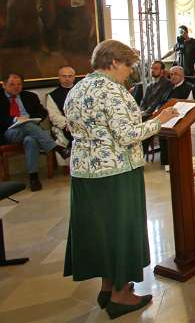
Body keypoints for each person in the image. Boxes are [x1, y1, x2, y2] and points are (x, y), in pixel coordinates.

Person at [63, 39, 178, 318]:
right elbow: (126, 136)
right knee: (121, 229)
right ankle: (121, 295)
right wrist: (159, 120)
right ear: (114, 63)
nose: (130, 72)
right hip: (116, 173)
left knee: (102, 231)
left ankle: (106, 287)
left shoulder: (78, 88)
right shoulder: (113, 91)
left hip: (85, 173)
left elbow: (73, 126)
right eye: (128, 65)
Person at [2, 73, 69, 191]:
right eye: (12, 84)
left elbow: (42, 112)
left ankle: (34, 178)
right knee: (28, 125)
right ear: (4, 85)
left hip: (31, 130)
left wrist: (30, 119)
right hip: (10, 132)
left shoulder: (30, 96)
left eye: (19, 84)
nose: (16, 87)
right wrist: (15, 119)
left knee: (30, 140)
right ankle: (57, 148)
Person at [46, 65, 76, 156]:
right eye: (64, 76)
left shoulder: (82, 90)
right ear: (59, 77)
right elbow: (54, 115)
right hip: (67, 125)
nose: (67, 79)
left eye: (70, 76)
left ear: (74, 77)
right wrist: (69, 123)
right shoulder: (53, 95)